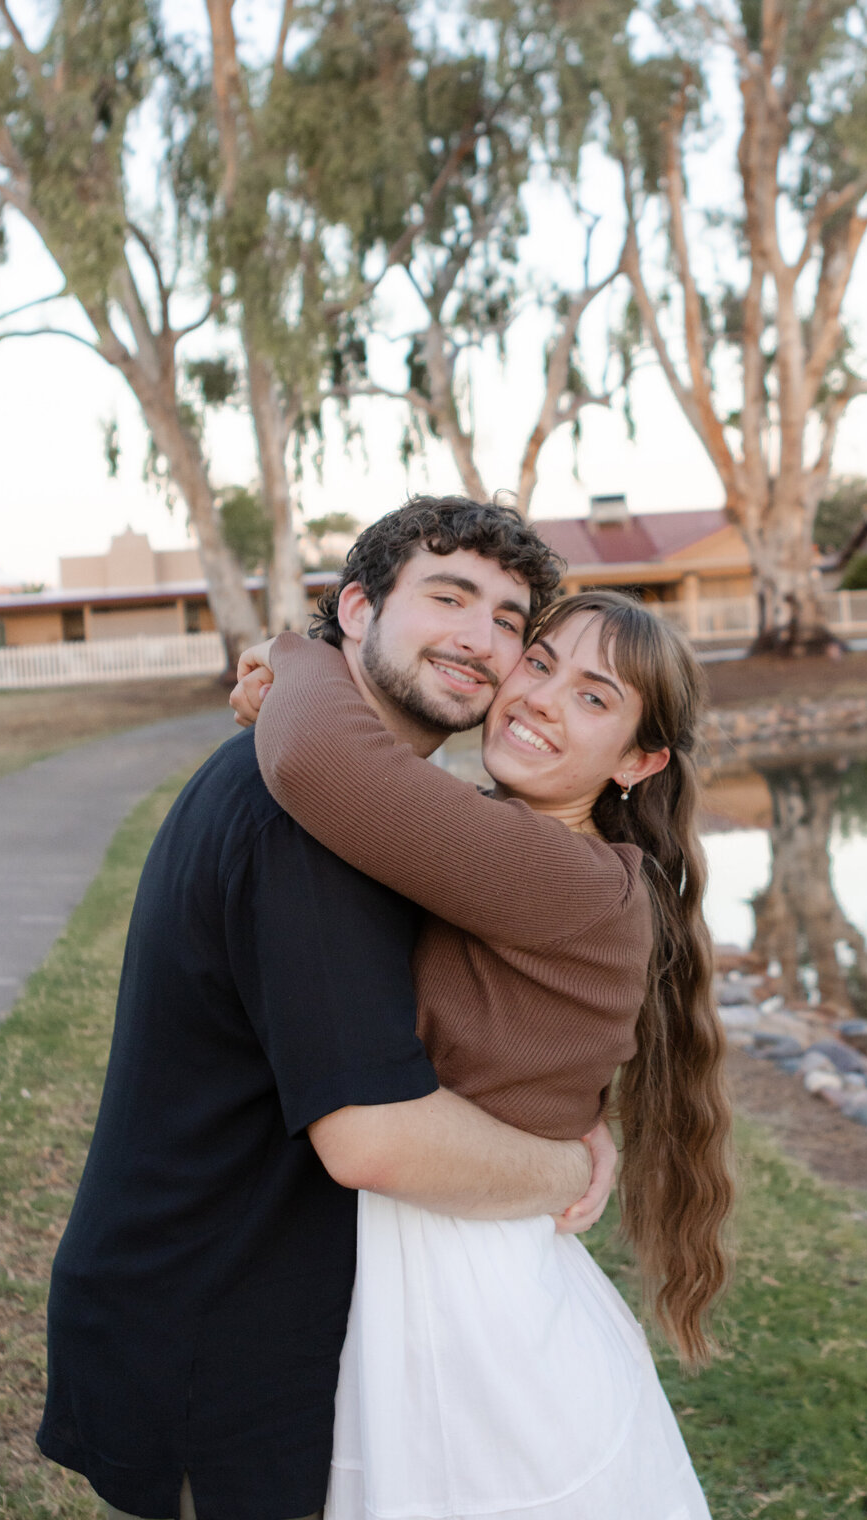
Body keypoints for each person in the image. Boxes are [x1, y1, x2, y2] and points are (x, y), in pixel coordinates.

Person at [37, 497, 619, 1520]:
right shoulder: (301, 829)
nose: (480, 641)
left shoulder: (367, 811)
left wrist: (588, 1112)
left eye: (510, 622)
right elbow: (375, 1141)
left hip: (243, 1303)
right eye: (448, 597)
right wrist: (568, 1168)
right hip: (213, 1335)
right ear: (356, 608)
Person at [232, 577, 734, 1518]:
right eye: (538, 663)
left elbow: (317, 758)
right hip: (459, 1246)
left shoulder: (557, 870)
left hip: (463, 1288)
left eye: (593, 697)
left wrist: (294, 655)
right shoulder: (525, 847)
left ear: (639, 760)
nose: (541, 697)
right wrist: (581, 1131)